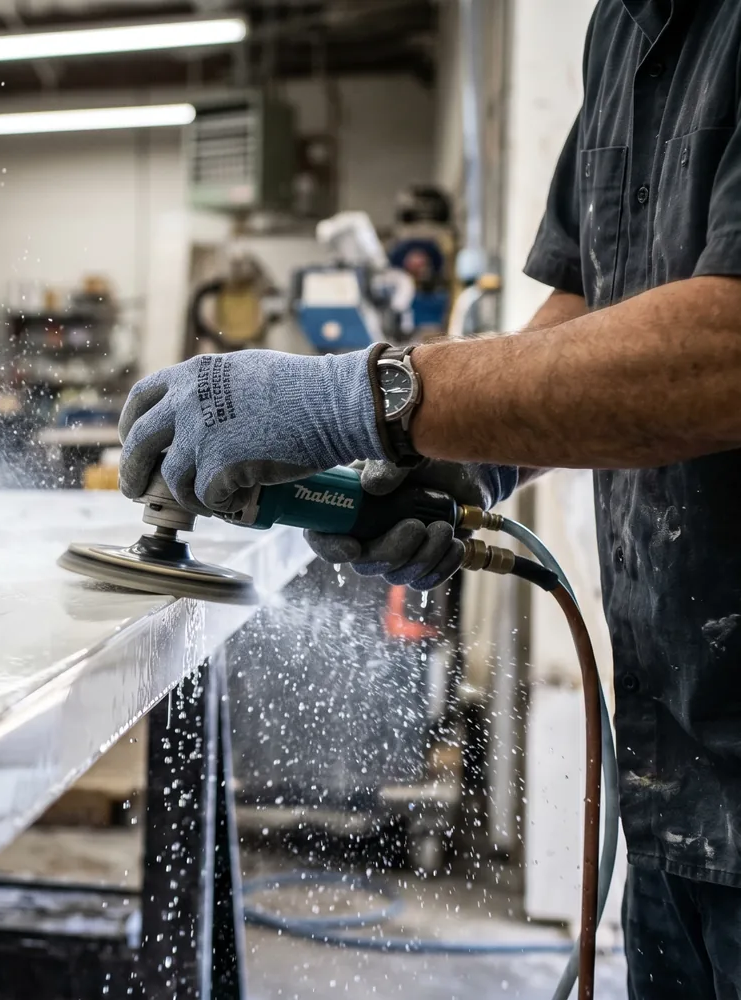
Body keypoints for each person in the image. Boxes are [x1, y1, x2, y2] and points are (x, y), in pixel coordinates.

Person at [117, 2, 741, 996]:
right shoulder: (624, 28)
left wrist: (372, 395)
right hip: (677, 771)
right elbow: (591, 299)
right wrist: (474, 461)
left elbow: (727, 349)